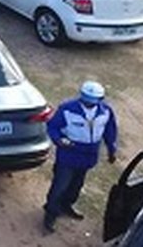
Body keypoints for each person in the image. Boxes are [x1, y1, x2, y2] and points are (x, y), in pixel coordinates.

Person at [42, 80, 119, 234]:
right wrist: (60, 140)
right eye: (86, 99)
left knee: (77, 185)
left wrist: (112, 149)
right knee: (60, 186)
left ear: (100, 99)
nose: (89, 103)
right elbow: (53, 127)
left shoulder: (105, 111)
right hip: (68, 155)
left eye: (92, 101)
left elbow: (110, 130)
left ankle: (66, 205)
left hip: (88, 156)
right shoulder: (67, 109)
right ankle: (51, 213)